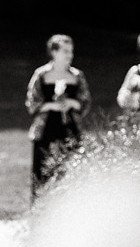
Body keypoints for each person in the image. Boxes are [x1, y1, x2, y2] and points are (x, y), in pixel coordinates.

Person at [25, 34, 92, 201]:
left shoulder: (77, 76)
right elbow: (32, 103)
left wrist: (71, 103)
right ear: (54, 52)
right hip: (46, 130)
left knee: (70, 170)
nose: (69, 55)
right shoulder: (41, 74)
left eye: (71, 51)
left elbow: (85, 102)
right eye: (65, 51)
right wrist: (51, 105)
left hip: (70, 129)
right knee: (43, 173)